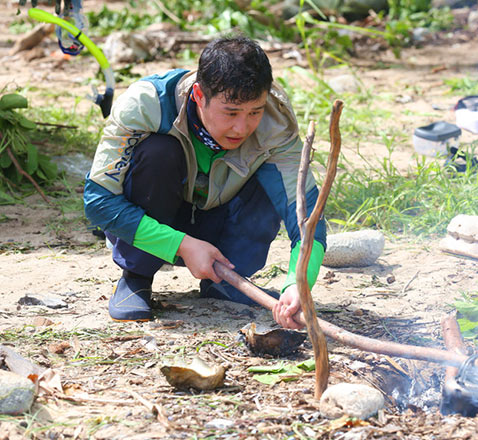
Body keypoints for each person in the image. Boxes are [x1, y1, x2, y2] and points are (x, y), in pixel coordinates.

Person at [84, 36, 326, 329]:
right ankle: (136, 276)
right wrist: (182, 244)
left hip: (222, 230)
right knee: (158, 153)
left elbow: (306, 216)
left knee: (273, 179)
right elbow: (99, 203)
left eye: (254, 112)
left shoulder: (276, 122)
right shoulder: (145, 104)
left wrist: (299, 282)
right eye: (231, 112)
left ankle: (224, 283)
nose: (242, 127)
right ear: (199, 95)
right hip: (156, 221)